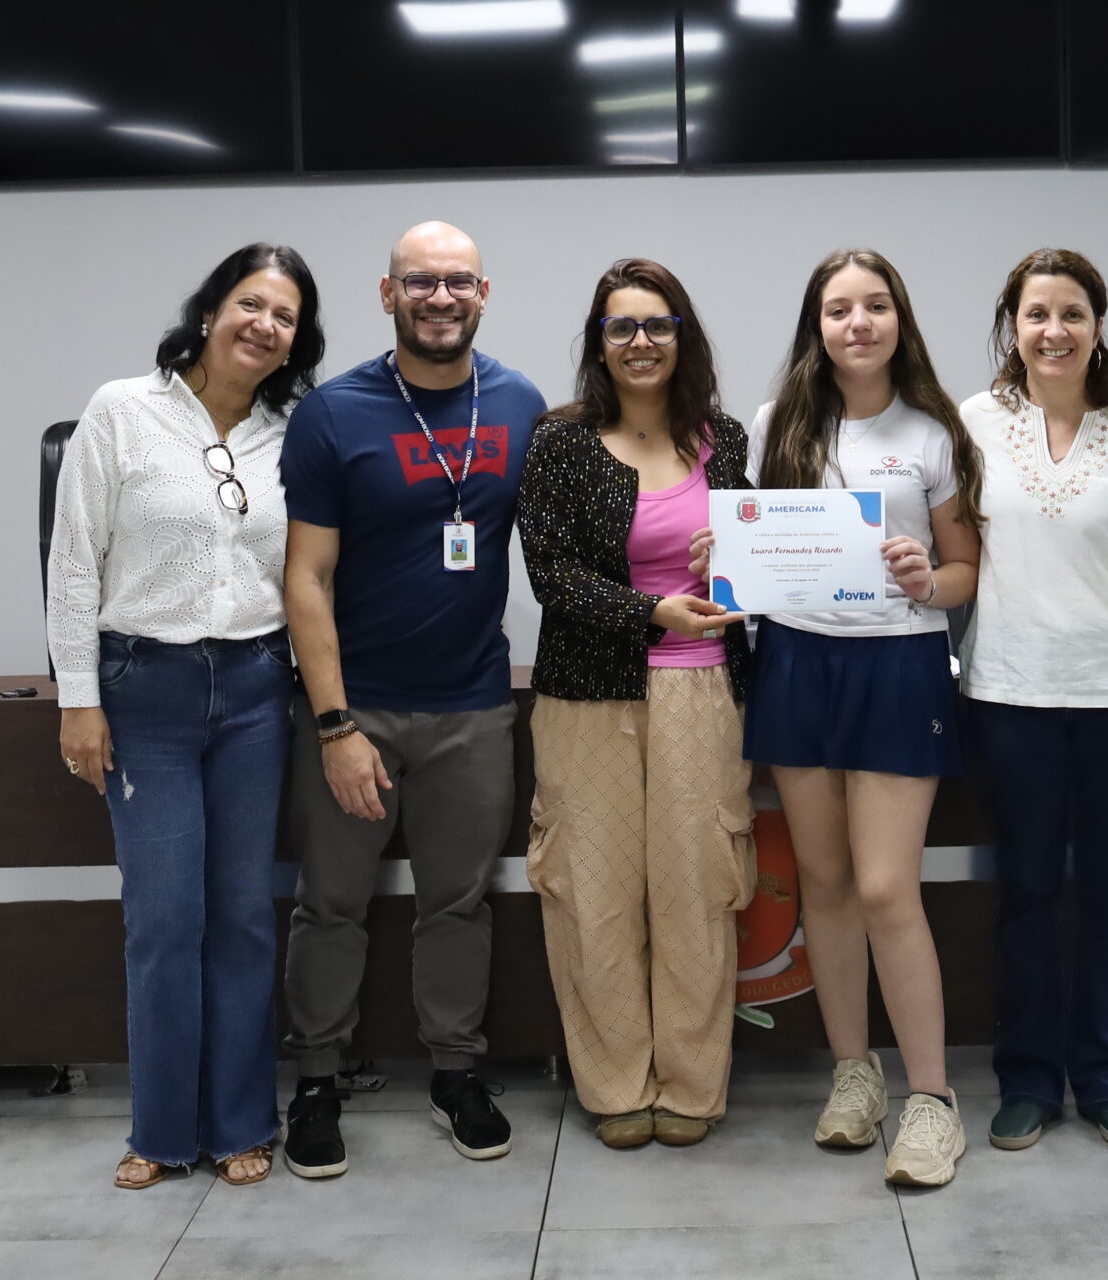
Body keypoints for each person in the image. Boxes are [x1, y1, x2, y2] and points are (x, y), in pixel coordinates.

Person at [698, 248, 984, 1187]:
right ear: (816, 327)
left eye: (875, 306)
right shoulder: (779, 422)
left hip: (898, 664)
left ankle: (932, 1102)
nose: (857, 323)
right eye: (837, 309)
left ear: (900, 319)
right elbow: (755, 548)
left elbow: (966, 572)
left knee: (885, 887)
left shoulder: (934, 432)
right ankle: (854, 1075)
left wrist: (927, 578)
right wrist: (720, 554)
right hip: (797, 661)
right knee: (822, 882)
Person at [47, 242, 325, 1189]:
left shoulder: (294, 433)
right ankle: (162, 1130)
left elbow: (311, 569)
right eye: (251, 303)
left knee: (244, 915)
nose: (264, 325)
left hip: (255, 688)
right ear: (210, 310)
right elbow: (74, 562)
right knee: (165, 918)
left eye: (284, 317)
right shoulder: (123, 410)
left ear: (295, 341)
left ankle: (243, 1122)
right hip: (145, 691)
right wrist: (78, 699)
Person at [277, 221, 546, 1175]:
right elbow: (305, 578)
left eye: (458, 282)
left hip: (474, 707)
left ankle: (456, 1074)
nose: (441, 298)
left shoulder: (519, 403)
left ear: (484, 293)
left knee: (458, 905)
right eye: (421, 282)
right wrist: (335, 725)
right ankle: (316, 1080)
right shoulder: (333, 414)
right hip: (358, 710)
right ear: (388, 294)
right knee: (330, 904)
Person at [959, 248, 1108, 1154]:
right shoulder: (973, 424)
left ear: (1098, 325)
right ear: (1012, 326)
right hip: (1009, 697)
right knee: (1025, 897)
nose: (1053, 331)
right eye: (1037, 314)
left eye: (1072, 313)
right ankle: (1027, 1081)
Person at [518, 259, 754, 1150]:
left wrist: (731, 561)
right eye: (622, 327)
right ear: (600, 342)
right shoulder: (561, 441)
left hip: (706, 689)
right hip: (588, 697)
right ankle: (615, 1084)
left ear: (683, 336)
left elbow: (761, 564)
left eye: (658, 324)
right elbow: (550, 573)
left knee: (697, 889)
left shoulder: (724, 439)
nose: (641, 342)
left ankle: (692, 1086)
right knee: (595, 894)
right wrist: (650, 610)